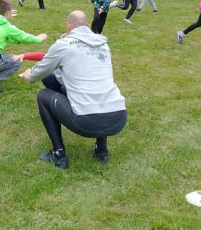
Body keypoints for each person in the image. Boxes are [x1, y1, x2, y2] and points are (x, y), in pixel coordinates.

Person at [19, 11, 127, 169]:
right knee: (95, 91)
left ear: (68, 26)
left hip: (87, 121)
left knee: (43, 96)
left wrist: (28, 75)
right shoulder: (104, 44)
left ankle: (59, 155)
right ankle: (101, 150)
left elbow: (37, 74)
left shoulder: (63, 44)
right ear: (87, 25)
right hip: (118, 117)